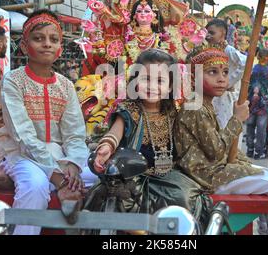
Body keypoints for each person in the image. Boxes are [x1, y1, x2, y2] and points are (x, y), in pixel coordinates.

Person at [0, 10, 94, 235]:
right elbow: (23, 137)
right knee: (35, 186)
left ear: (59, 49)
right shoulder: (13, 81)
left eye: (53, 39)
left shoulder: (66, 85)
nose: (47, 44)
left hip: (61, 156)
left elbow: (75, 134)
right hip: (20, 154)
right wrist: (59, 179)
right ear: (25, 46)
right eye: (38, 38)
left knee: (102, 177)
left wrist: (74, 166)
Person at [86, 49, 211, 228]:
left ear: (170, 86)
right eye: (145, 79)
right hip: (134, 180)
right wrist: (107, 146)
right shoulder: (129, 110)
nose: (152, 86)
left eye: (160, 81)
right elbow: (114, 133)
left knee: (186, 196)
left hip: (170, 177)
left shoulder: (174, 113)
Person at [174, 44, 268, 235]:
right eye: (212, 72)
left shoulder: (203, 104)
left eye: (225, 72)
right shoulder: (195, 107)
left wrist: (242, 161)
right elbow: (217, 150)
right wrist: (237, 119)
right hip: (206, 176)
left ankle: (267, 229)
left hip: (212, 169)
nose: (221, 78)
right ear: (194, 77)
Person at [206, 18, 247, 129]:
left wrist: (228, 82)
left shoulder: (228, 50)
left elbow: (245, 63)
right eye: (207, 33)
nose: (207, 36)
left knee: (224, 127)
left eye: (212, 33)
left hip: (225, 98)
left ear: (222, 33)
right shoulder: (208, 50)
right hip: (212, 97)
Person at [246, 48, 268, 159]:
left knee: (250, 124)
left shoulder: (250, 70)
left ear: (257, 57)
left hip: (251, 102)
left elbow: (245, 85)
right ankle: (259, 152)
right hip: (264, 104)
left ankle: (250, 149)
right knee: (261, 127)